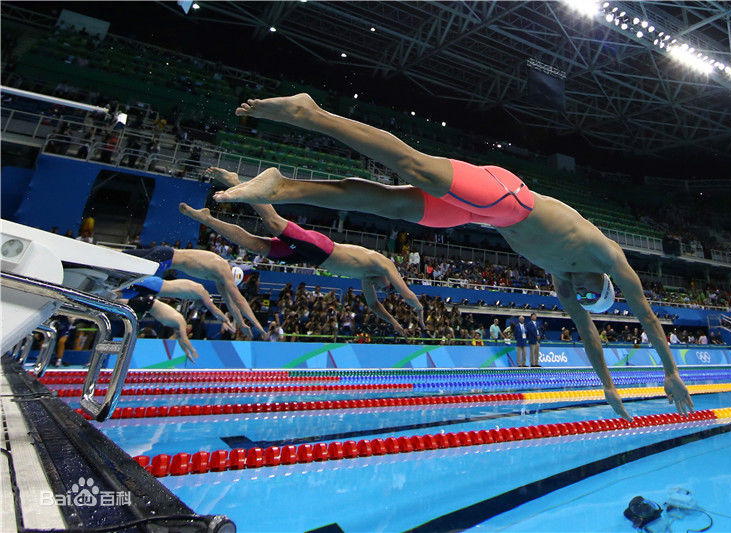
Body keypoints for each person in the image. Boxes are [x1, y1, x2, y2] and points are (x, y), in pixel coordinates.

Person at [215, 93, 693, 419]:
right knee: (414, 166)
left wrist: (607, 385)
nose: (584, 296)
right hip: (509, 198)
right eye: (594, 294)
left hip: (483, 216)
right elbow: (646, 315)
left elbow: (588, 332)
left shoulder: (563, 280)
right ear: (605, 283)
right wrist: (670, 370)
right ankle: (310, 113)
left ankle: (282, 186)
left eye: (587, 298)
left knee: (390, 202)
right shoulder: (604, 252)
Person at [180, 167, 425, 337]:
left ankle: (208, 219)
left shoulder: (368, 279)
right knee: (273, 222)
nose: (385, 290)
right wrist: (419, 312)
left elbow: (374, 307)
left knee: (256, 245)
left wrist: (395, 323)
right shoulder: (383, 264)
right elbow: (408, 293)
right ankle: (236, 182)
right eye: (388, 287)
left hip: (310, 257)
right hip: (320, 247)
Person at [122, 244, 267, 339]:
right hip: (165, 258)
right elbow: (239, 300)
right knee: (124, 276)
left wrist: (241, 323)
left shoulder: (219, 279)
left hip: (165, 254)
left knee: (121, 258)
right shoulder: (223, 269)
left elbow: (231, 303)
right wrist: (257, 325)